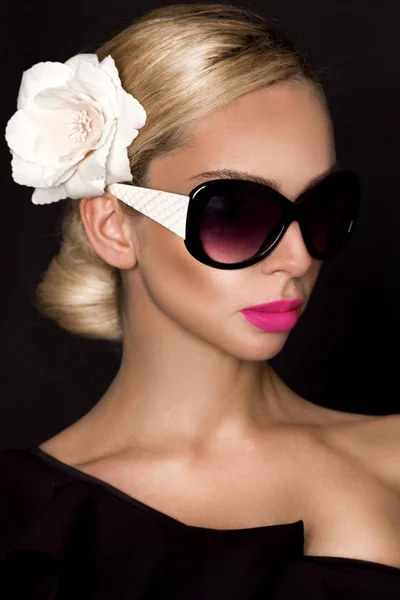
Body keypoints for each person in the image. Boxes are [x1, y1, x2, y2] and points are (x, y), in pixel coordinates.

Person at [1, 3, 399, 598]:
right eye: (235, 212)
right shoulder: (23, 527)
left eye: (322, 209)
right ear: (114, 225)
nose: (297, 259)